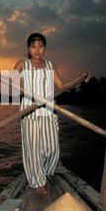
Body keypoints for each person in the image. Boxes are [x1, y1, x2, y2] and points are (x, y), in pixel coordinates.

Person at [12, 33, 76, 194]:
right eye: (34, 46)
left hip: (48, 111)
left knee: (52, 148)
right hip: (30, 111)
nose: (37, 50)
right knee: (33, 147)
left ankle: (46, 172)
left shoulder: (50, 65)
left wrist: (79, 79)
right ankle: (37, 182)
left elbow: (61, 85)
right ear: (28, 48)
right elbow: (10, 81)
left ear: (44, 48)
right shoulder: (23, 64)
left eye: (41, 46)